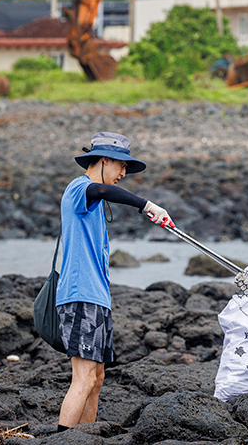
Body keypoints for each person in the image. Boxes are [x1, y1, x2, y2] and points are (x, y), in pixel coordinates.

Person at [56, 132, 174, 432]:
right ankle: (62, 439)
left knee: (96, 379)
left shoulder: (93, 198)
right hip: (79, 294)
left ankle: (86, 437)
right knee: (82, 379)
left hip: (97, 297)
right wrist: (146, 204)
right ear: (104, 160)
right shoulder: (79, 189)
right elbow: (102, 191)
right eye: (121, 166)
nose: (123, 173)